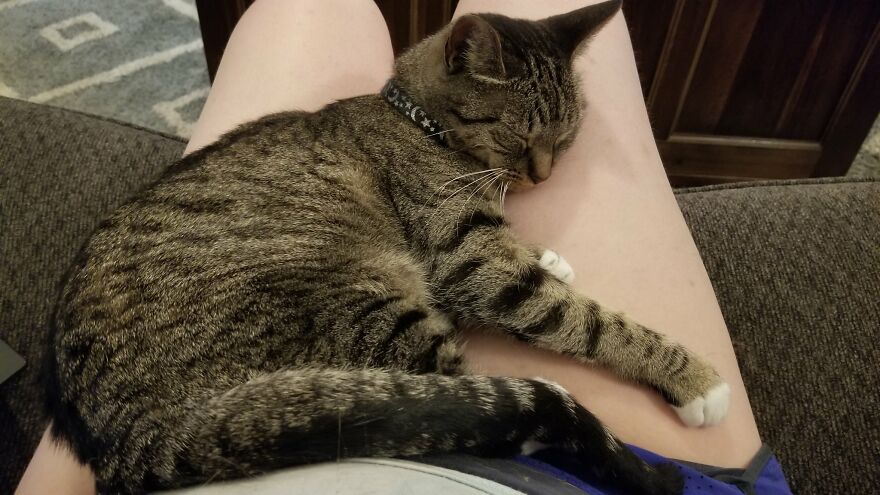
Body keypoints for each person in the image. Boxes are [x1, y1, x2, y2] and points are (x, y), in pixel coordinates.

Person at [16, 1, 788, 493]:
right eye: (516, 143)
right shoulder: (410, 149)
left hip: (157, 405)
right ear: (456, 67)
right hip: (223, 363)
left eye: (559, 142)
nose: (539, 173)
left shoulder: (400, 137)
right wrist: (663, 360)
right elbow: (492, 289)